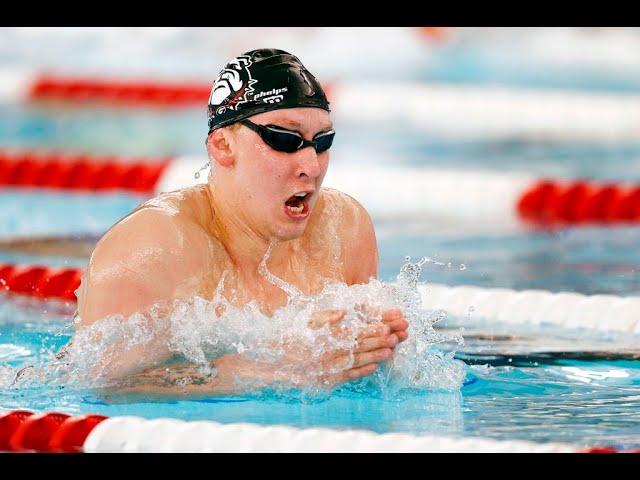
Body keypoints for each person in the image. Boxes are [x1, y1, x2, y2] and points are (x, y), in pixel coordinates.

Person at [74, 49, 409, 395]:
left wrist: (379, 352)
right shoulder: (151, 249)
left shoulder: (344, 229)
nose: (312, 165)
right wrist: (261, 371)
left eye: (323, 142)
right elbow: (100, 388)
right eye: (284, 140)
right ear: (223, 145)